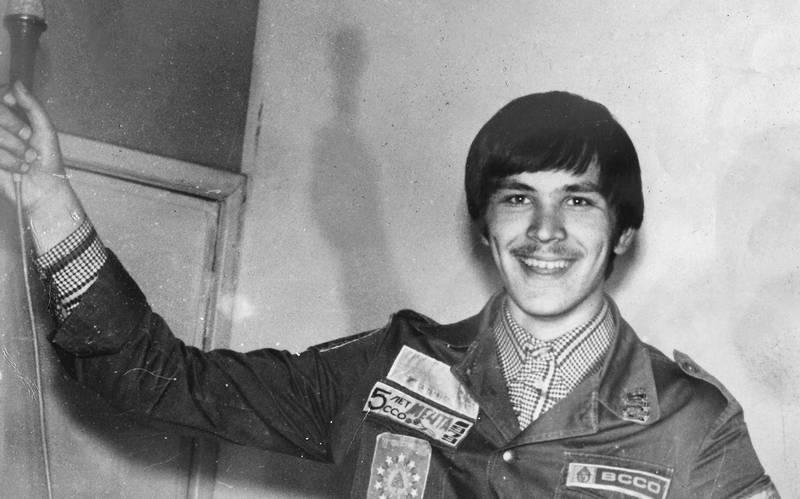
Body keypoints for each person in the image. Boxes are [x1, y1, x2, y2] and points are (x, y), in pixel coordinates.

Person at [0, 81, 780, 498]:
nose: (545, 230)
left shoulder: (692, 426)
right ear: (485, 226)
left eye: (578, 200)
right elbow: (157, 379)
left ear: (623, 233)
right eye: (517, 198)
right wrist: (48, 199)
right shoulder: (389, 367)